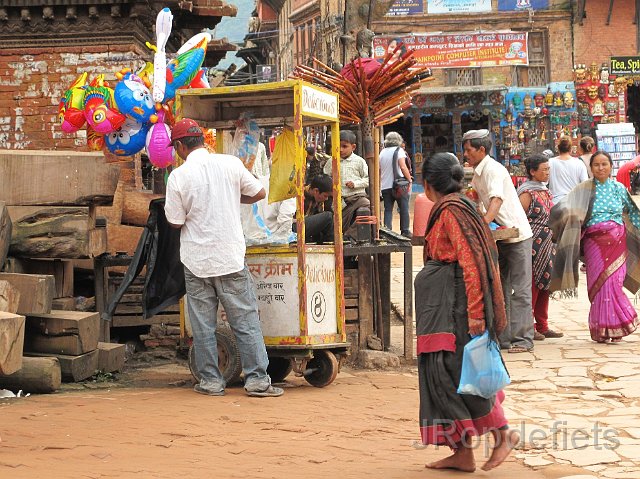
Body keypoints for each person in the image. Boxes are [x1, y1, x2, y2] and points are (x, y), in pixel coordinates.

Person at [164, 118, 284, 397]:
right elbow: (259, 192)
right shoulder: (230, 164)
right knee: (245, 320)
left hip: (197, 261)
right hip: (230, 257)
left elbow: (174, 220)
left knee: (203, 325)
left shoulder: (178, 177)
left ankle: (210, 381)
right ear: (202, 140)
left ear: (180, 146)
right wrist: (230, 198)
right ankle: (256, 381)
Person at [416, 152, 518, 473]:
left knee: (455, 373)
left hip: (455, 308)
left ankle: (503, 435)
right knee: (444, 372)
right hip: (443, 307)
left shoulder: (451, 212)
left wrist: (475, 314)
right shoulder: (461, 207)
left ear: (428, 184)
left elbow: (471, 262)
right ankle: (462, 453)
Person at [550, 150, 640, 343]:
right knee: (598, 285)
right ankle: (603, 328)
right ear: (590, 168)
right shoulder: (582, 189)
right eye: (596, 165)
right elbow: (562, 209)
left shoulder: (619, 188)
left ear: (611, 167)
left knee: (614, 284)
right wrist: (570, 220)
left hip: (617, 244)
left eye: (604, 164)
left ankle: (616, 327)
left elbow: (633, 214)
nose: (601, 168)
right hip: (594, 246)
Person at [463, 129, 534, 353]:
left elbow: (495, 199)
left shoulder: (492, 169)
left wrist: (483, 222)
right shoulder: (477, 173)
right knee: (501, 288)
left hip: (518, 236)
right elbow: (476, 198)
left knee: (520, 290)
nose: (465, 154)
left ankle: (523, 339)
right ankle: (504, 338)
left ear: (481, 149)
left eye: (468, 150)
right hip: (502, 236)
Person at [517, 154, 562, 341]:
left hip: (548, 243)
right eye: (543, 169)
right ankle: (528, 326)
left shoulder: (545, 191)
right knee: (534, 284)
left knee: (546, 284)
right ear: (532, 172)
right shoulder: (527, 193)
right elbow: (520, 217)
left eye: (548, 169)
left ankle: (542, 325)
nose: (547, 173)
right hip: (534, 242)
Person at [323, 130, 370, 236]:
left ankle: (349, 236)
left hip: (356, 198)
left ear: (353, 147)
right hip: (338, 201)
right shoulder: (331, 161)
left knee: (367, 205)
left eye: (344, 146)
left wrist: (355, 184)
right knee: (333, 223)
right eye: (338, 146)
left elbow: (367, 180)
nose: (340, 149)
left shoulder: (359, 161)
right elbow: (325, 177)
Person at [379, 131, 412, 237]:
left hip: (385, 186)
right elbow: (403, 167)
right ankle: (405, 231)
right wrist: (409, 180)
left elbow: (379, 170)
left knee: (388, 209)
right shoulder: (399, 151)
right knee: (404, 208)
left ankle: (387, 231)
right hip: (399, 186)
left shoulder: (382, 152)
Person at [548, 136, 589, 204]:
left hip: (556, 202)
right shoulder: (579, 163)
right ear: (570, 149)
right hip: (574, 202)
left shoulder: (550, 162)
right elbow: (585, 185)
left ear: (558, 148)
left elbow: (544, 181)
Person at [301, 174, 334, 244]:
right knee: (328, 216)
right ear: (316, 191)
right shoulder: (300, 195)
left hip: (306, 228)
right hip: (295, 227)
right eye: (325, 196)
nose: (326, 199)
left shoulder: (318, 201)